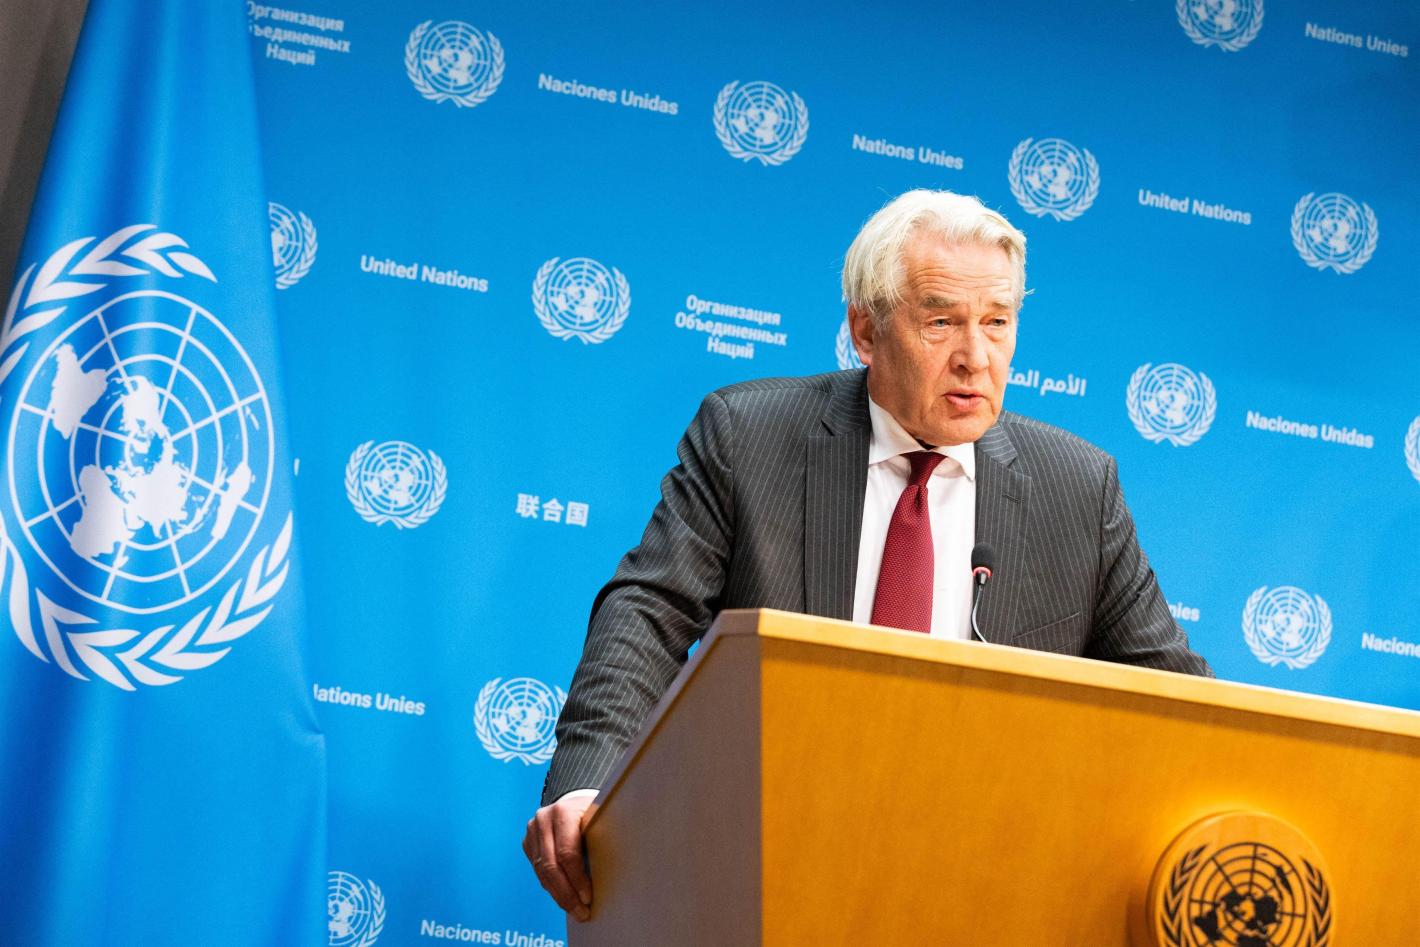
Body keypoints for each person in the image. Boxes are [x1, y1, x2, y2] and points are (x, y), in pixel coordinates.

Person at [521, 189, 1212, 921]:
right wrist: (589, 784)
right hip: (774, 856)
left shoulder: (1076, 488)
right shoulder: (749, 437)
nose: (975, 358)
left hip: (986, 881)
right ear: (865, 330)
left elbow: (1180, 702)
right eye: (941, 321)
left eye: (997, 321)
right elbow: (648, 612)